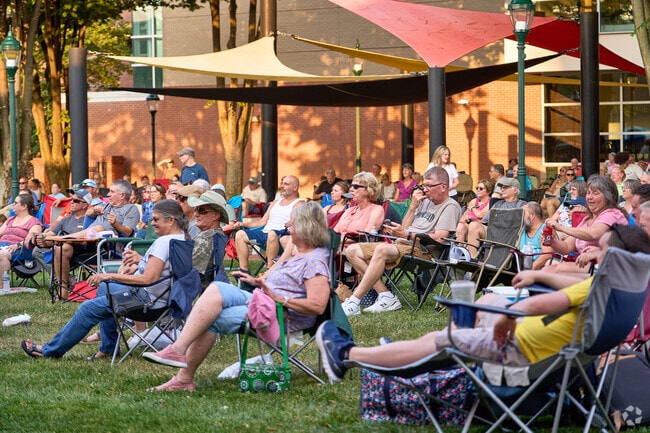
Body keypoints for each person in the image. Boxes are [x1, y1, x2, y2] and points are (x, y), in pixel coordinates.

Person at [317, 224, 650, 383]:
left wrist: (508, 317)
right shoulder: (624, 287)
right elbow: (576, 285)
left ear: (619, 257)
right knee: (487, 300)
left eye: (602, 249)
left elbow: (533, 307)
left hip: (520, 354)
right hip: (556, 359)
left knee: (442, 340)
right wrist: (539, 277)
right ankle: (403, 350)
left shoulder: (601, 285)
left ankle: (346, 356)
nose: (595, 252)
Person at [142, 201, 331, 392]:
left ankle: (182, 377)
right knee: (217, 287)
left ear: (306, 227)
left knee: (210, 318)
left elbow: (317, 306)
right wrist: (257, 282)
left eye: (291, 225)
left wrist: (280, 298)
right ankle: (178, 352)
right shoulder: (300, 254)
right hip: (264, 301)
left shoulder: (314, 261)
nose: (287, 229)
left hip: (279, 316)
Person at [21, 200, 189, 361]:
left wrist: (108, 275)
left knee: (88, 308)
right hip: (166, 301)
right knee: (104, 289)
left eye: (156, 219)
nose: (151, 223)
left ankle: (50, 351)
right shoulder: (183, 240)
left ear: (171, 220)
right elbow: (165, 271)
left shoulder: (163, 243)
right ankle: (108, 347)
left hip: (147, 303)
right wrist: (141, 260)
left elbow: (147, 279)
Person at [341, 167, 461, 316]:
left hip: (423, 251)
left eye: (429, 186)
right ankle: (386, 295)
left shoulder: (450, 205)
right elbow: (404, 228)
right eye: (424, 185)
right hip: (402, 245)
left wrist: (407, 235)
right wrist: (412, 207)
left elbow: (440, 238)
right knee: (351, 250)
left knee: (381, 250)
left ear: (443, 186)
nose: (425, 189)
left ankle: (354, 301)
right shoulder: (424, 202)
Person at [545, 175, 628, 273]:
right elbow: (566, 247)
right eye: (588, 193)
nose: (589, 197)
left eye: (595, 193)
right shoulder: (587, 219)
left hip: (607, 269)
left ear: (608, 197)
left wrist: (560, 227)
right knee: (547, 269)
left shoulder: (612, 214)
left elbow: (592, 234)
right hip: (588, 267)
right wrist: (553, 240)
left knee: (557, 269)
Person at [232, 175, 304, 274]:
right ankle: (244, 271)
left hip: (281, 235)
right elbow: (262, 222)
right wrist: (243, 224)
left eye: (286, 184)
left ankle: (269, 270)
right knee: (240, 234)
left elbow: (299, 223)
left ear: (295, 188)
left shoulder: (299, 204)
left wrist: (293, 222)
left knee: (271, 234)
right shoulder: (275, 203)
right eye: (282, 183)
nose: (282, 186)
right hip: (264, 235)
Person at [34, 189, 92, 299]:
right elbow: (51, 234)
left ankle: (63, 289)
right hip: (61, 249)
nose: (71, 202)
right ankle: (65, 279)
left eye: (75, 201)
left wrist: (60, 239)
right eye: (71, 200)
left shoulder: (89, 219)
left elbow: (86, 240)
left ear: (84, 205)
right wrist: (41, 238)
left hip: (84, 251)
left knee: (62, 248)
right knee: (37, 250)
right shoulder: (66, 220)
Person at [464, 177, 527, 258]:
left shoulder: (522, 205)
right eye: (501, 187)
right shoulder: (497, 204)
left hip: (509, 236)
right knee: (474, 225)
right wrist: (473, 220)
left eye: (505, 187)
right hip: (493, 234)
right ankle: (473, 259)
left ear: (515, 190)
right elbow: (484, 222)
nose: (502, 190)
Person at [76, 179, 140, 239]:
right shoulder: (107, 205)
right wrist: (94, 211)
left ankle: (69, 238)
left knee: (100, 228)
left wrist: (115, 224)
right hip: (87, 239)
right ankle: (69, 238)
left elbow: (128, 232)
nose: (108, 194)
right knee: (67, 247)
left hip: (107, 244)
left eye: (112, 192)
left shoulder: (131, 209)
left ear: (122, 195)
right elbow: (88, 213)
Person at [0, 194, 43, 278]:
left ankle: (2, 287)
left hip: (21, 249)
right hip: (2, 246)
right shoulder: (10, 219)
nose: (13, 205)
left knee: (1, 254)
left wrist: (18, 245)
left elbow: (32, 238)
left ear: (24, 206)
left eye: (15, 203)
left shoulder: (34, 222)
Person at [333, 172, 384, 239]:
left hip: (357, 248)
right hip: (339, 247)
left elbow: (366, 237)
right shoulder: (349, 210)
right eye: (351, 186)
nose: (351, 189)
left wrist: (340, 242)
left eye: (356, 187)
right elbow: (334, 233)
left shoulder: (376, 210)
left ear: (368, 190)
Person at [455, 179, 493, 244]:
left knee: (473, 226)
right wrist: (465, 217)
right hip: (468, 224)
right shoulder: (474, 201)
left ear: (489, 191)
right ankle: (459, 249)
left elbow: (479, 215)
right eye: (477, 188)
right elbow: (464, 215)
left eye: (481, 188)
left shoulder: (490, 202)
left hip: (480, 226)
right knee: (460, 226)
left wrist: (472, 207)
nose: (478, 190)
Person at [519, 202, 553, 270]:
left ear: (532, 216)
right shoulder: (522, 231)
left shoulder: (546, 230)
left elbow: (547, 254)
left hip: (540, 271)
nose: (520, 217)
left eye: (522, 214)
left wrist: (529, 271)